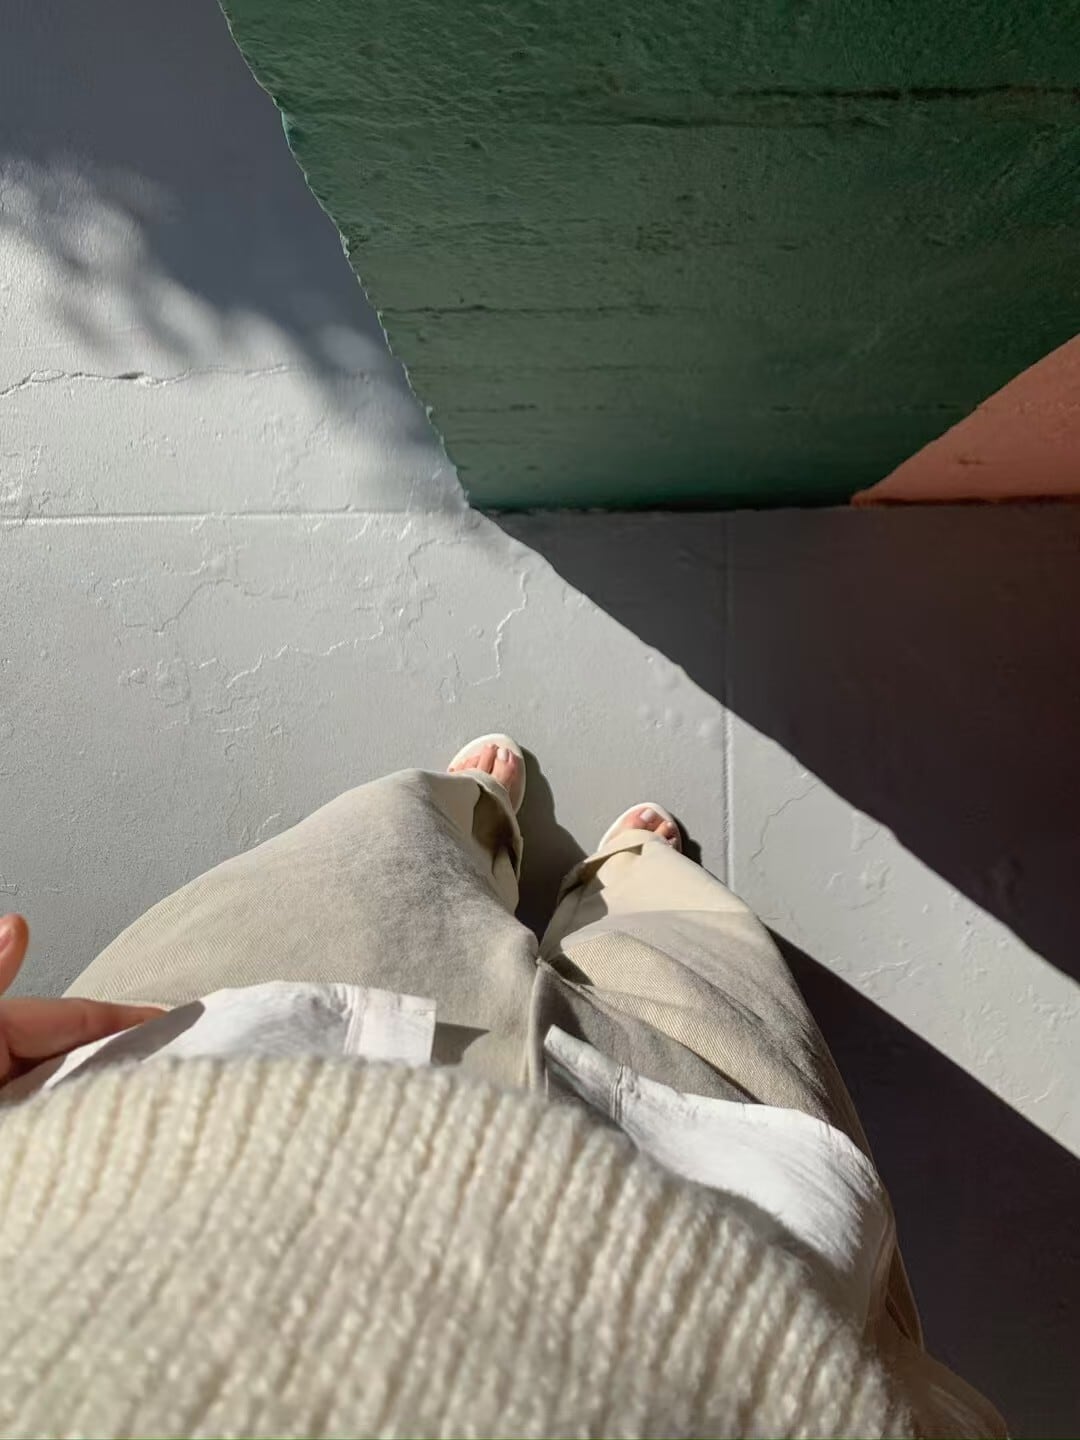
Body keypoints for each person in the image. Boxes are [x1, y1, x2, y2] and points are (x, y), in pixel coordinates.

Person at [0, 736, 1005, 1438]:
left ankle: (471, 816)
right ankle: (633, 877)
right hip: (707, 1288)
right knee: (697, 986)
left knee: (357, 870)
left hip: (178, 1126)